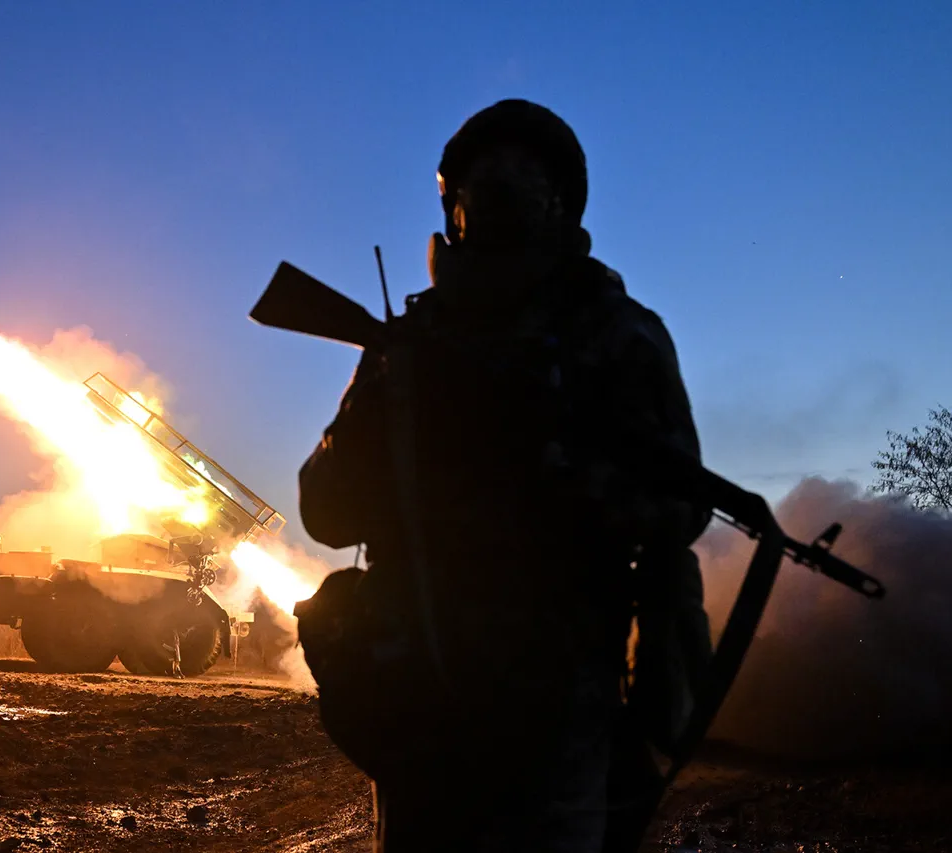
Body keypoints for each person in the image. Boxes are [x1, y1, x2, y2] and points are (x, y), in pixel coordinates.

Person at [294, 99, 711, 851]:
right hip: (423, 693)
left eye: (521, 184)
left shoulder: (612, 333)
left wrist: (551, 469)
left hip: (552, 700)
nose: (497, 201)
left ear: (559, 205)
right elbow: (326, 511)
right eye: (484, 186)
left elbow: (679, 507)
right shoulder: (411, 347)